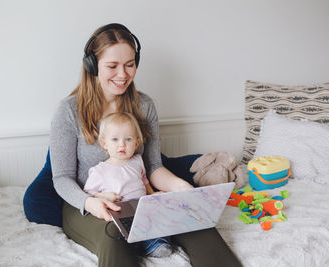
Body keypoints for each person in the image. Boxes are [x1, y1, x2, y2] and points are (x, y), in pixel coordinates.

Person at [23, 23, 242, 267]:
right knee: (113, 234)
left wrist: (182, 189)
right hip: (86, 204)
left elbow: (154, 167)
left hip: (140, 201)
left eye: (130, 64)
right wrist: (90, 202)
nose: (123, 74)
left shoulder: (145, 106)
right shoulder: (68, 111)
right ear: (92, 66)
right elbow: (62, 177)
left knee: (195, 219)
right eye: (112, 66)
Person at [83, 112, 172, 258]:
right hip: (120, 211)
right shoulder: (99, 170)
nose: (122, 145)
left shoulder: (137, 161)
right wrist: (103, 196)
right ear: (104, 144)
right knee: (121, 232)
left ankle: (156, 244)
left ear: (136, 143)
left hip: (142, 207)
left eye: (128, 139)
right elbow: (88, 193)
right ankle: (133, 246)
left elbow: (143, 180)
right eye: (115, 139)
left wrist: (151, 193)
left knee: (158, 218)